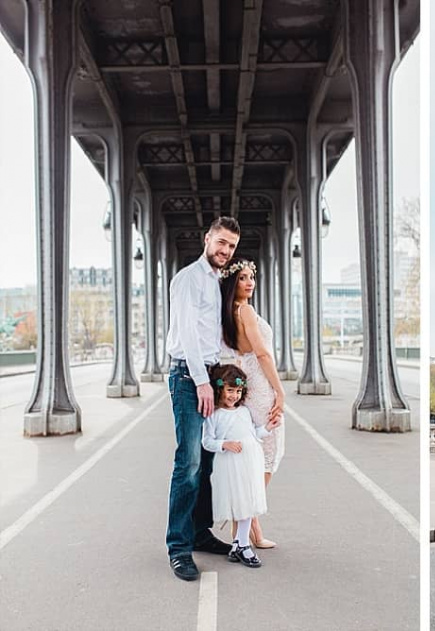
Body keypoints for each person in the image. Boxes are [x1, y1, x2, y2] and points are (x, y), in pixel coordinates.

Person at [165, 217, 240, 582]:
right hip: (188, 377)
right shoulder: (188, 280)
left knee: (208, 463)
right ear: (207, 238)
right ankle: (178, 548)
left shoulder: (214, 283)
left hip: (207, 375)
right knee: (190, 463)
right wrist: (201, 383)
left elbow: (214, 338)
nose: (225, 251)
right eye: (221, 242)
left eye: (231, 247)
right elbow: (190, 337)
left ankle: (198, 533)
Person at [220, 257, 285, 548]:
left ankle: (250, 530)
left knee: (254, 457)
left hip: (249, 384)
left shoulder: (229, 314)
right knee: (268, 456)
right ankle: (246, 525)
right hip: (260, 387)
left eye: (251, 277)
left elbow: (238, 355)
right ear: (233, 282)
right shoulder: (245, 310)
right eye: (243, 278)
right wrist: (280, 391)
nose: (250, 283)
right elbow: (262, 353)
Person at [202, 364, 280, 568]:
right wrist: (224, 444)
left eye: (238, 391)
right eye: (230, 390)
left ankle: (241, 544)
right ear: (220, 389)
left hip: (249, 461)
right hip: (229, 463)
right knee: (239, 503)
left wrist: (267, 428)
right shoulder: (213, 415)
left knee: (248, 501)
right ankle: (241, 545)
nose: (234, 396)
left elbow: (252, 434)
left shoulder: (244, 411)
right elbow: (207, 441)